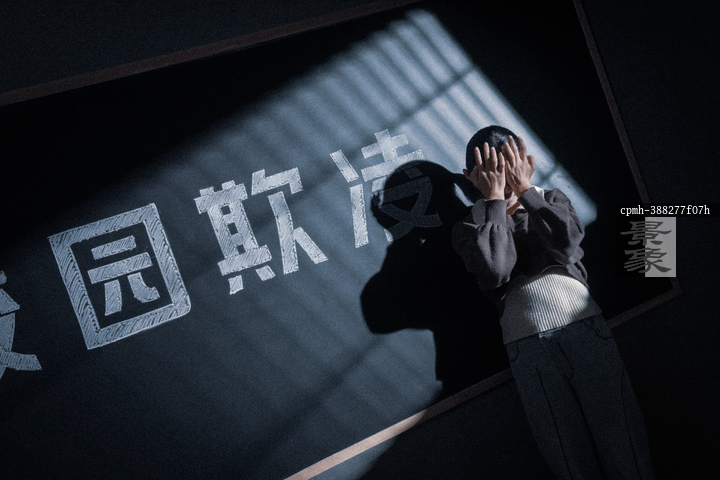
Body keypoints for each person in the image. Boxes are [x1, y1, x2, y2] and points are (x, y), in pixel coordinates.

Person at [452, 125, 654, 479]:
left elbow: (566, 247)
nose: (501, 175)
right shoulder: (470, 226)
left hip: (583, 328)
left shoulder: (550, 199)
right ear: (470, 176)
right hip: (527, 347)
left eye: (507, 165)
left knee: (624, 442)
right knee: (568, 456)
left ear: (524, 161)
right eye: (490, 170)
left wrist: (526, 191)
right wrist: (496, 201)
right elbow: (496, 270)